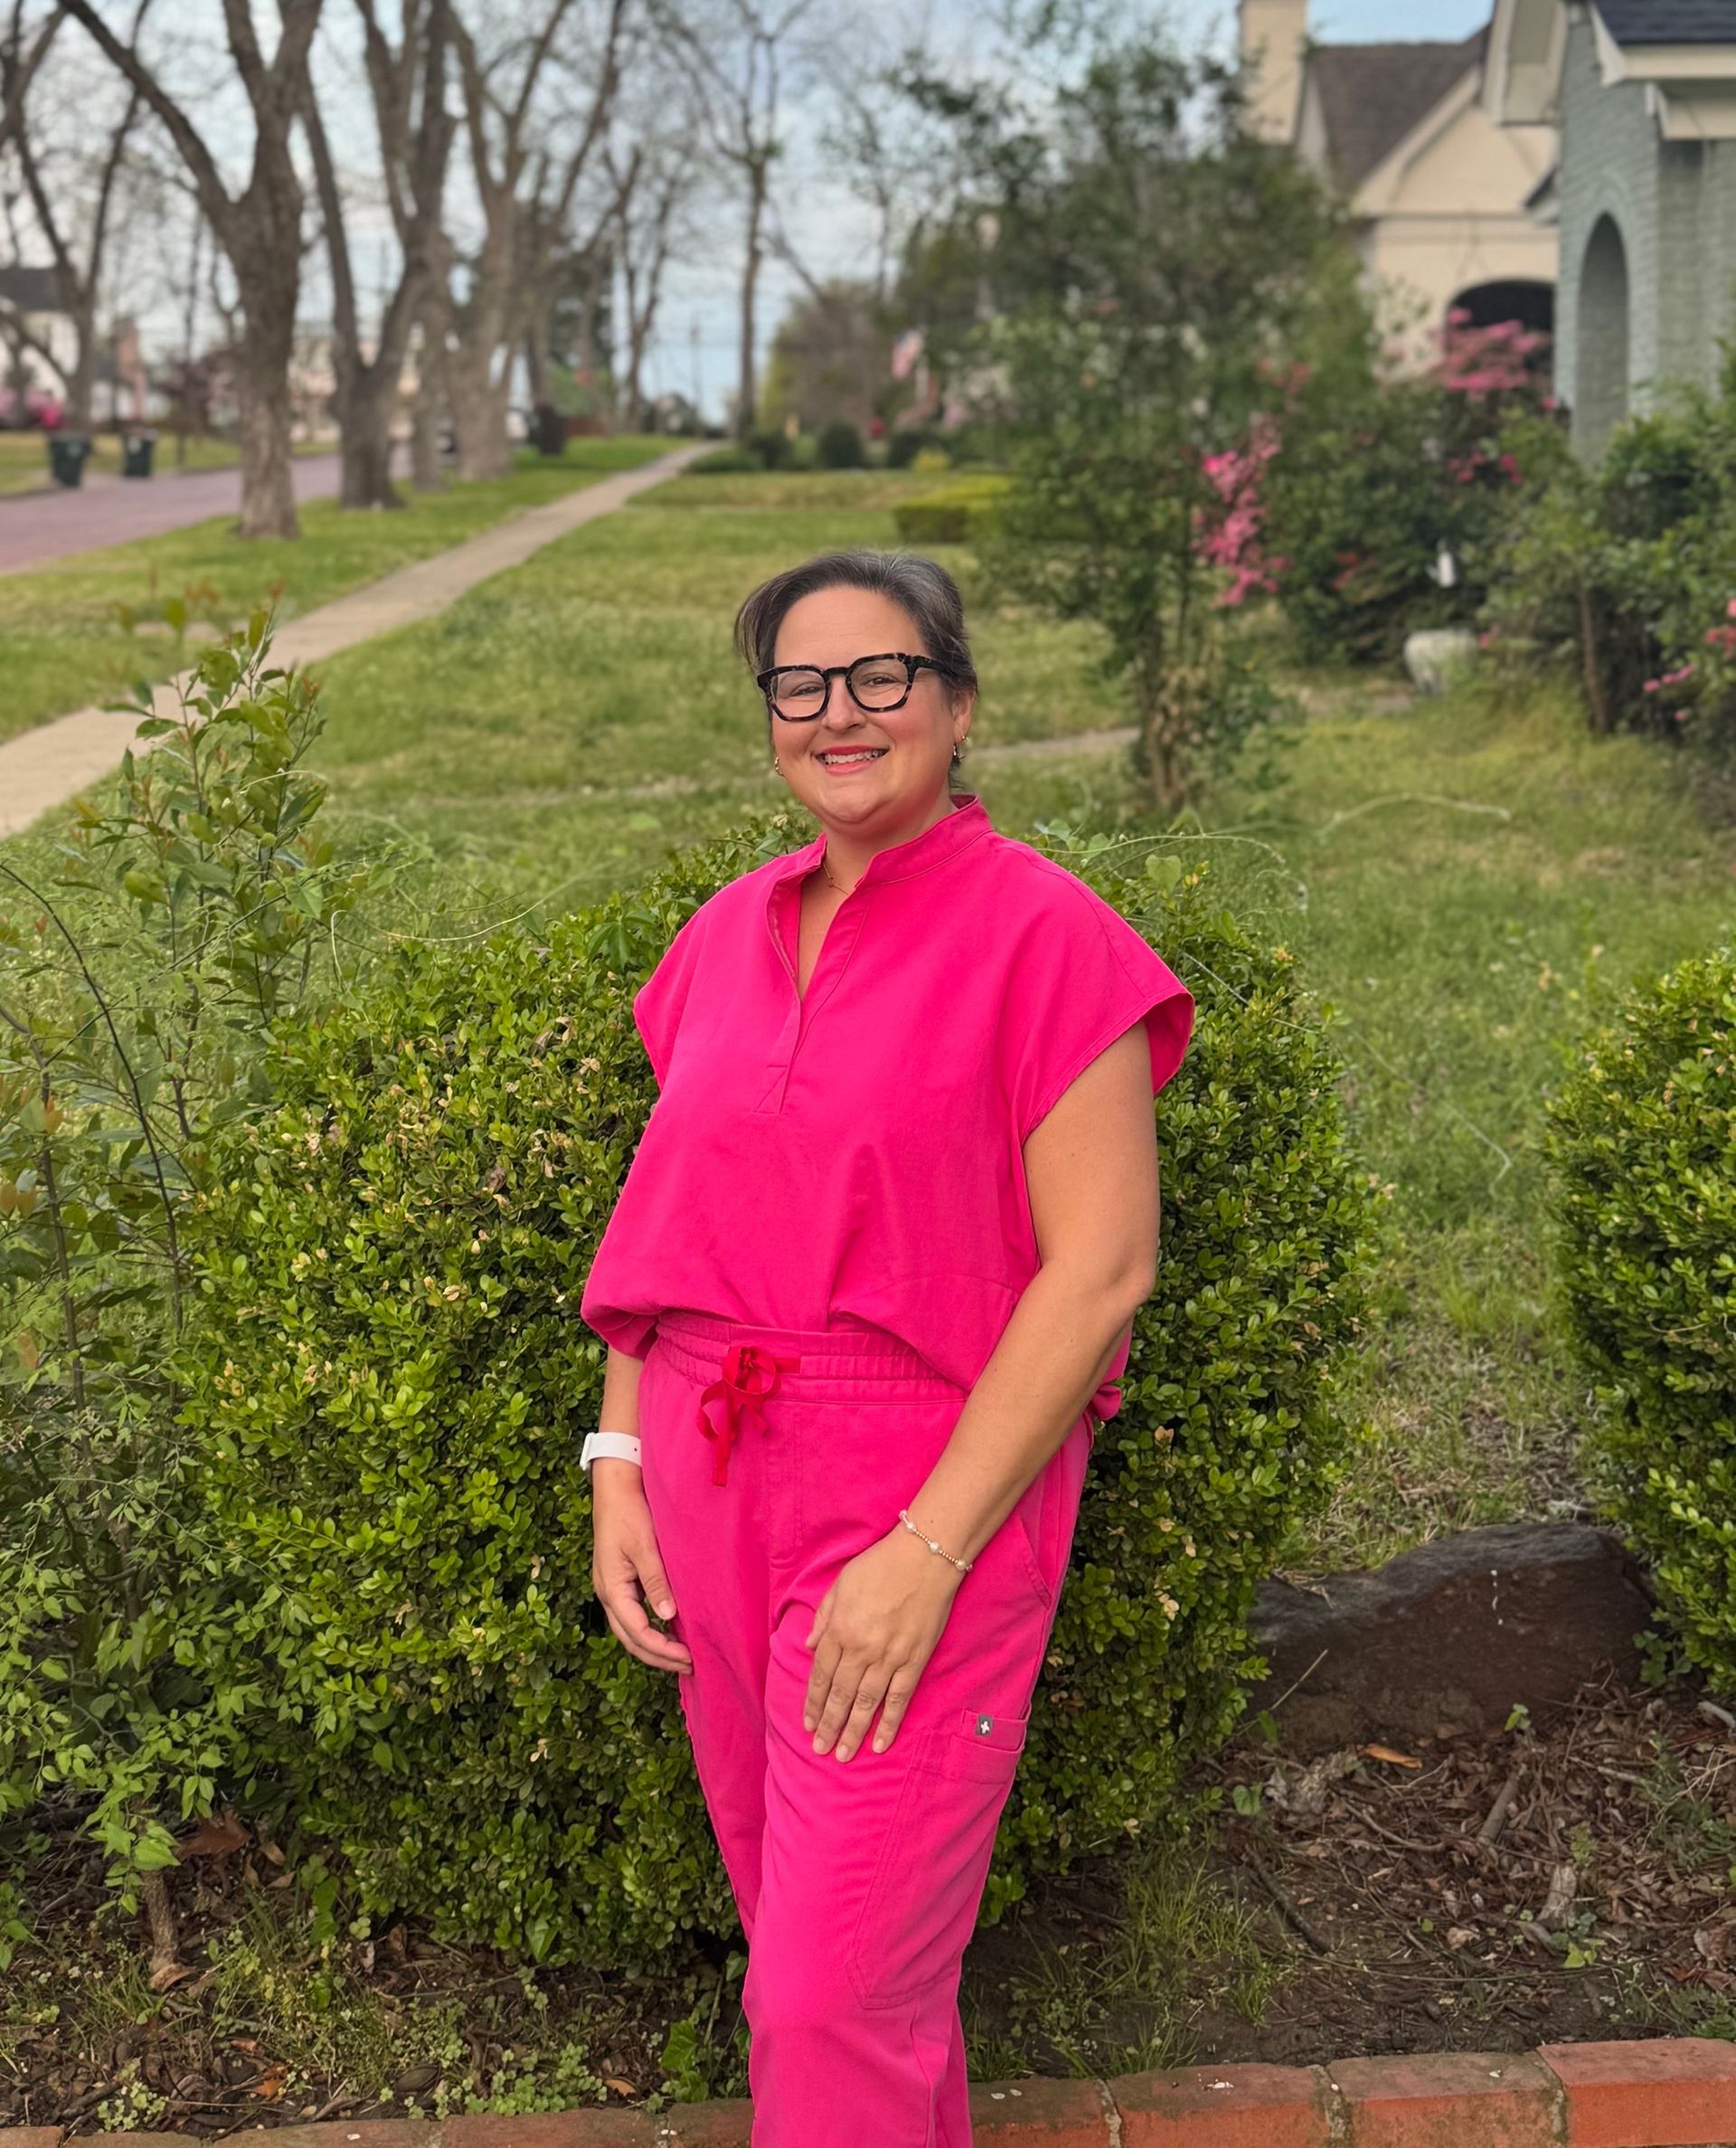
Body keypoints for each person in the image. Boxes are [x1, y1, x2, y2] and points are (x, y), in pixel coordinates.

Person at [579, 549, 1194, 2144]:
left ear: (957, 703)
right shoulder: (724, 936)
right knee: (818, 1953)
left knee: (827, 1990)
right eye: (802, 683)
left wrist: (923, 1554)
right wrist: (620, 1459)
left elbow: (1105, 1267)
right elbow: (673, 1230)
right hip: (715, 1470)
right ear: (769, 715)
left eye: (881, 678)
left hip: (924, 1484)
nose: (839, 713)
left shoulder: (1048, 938)